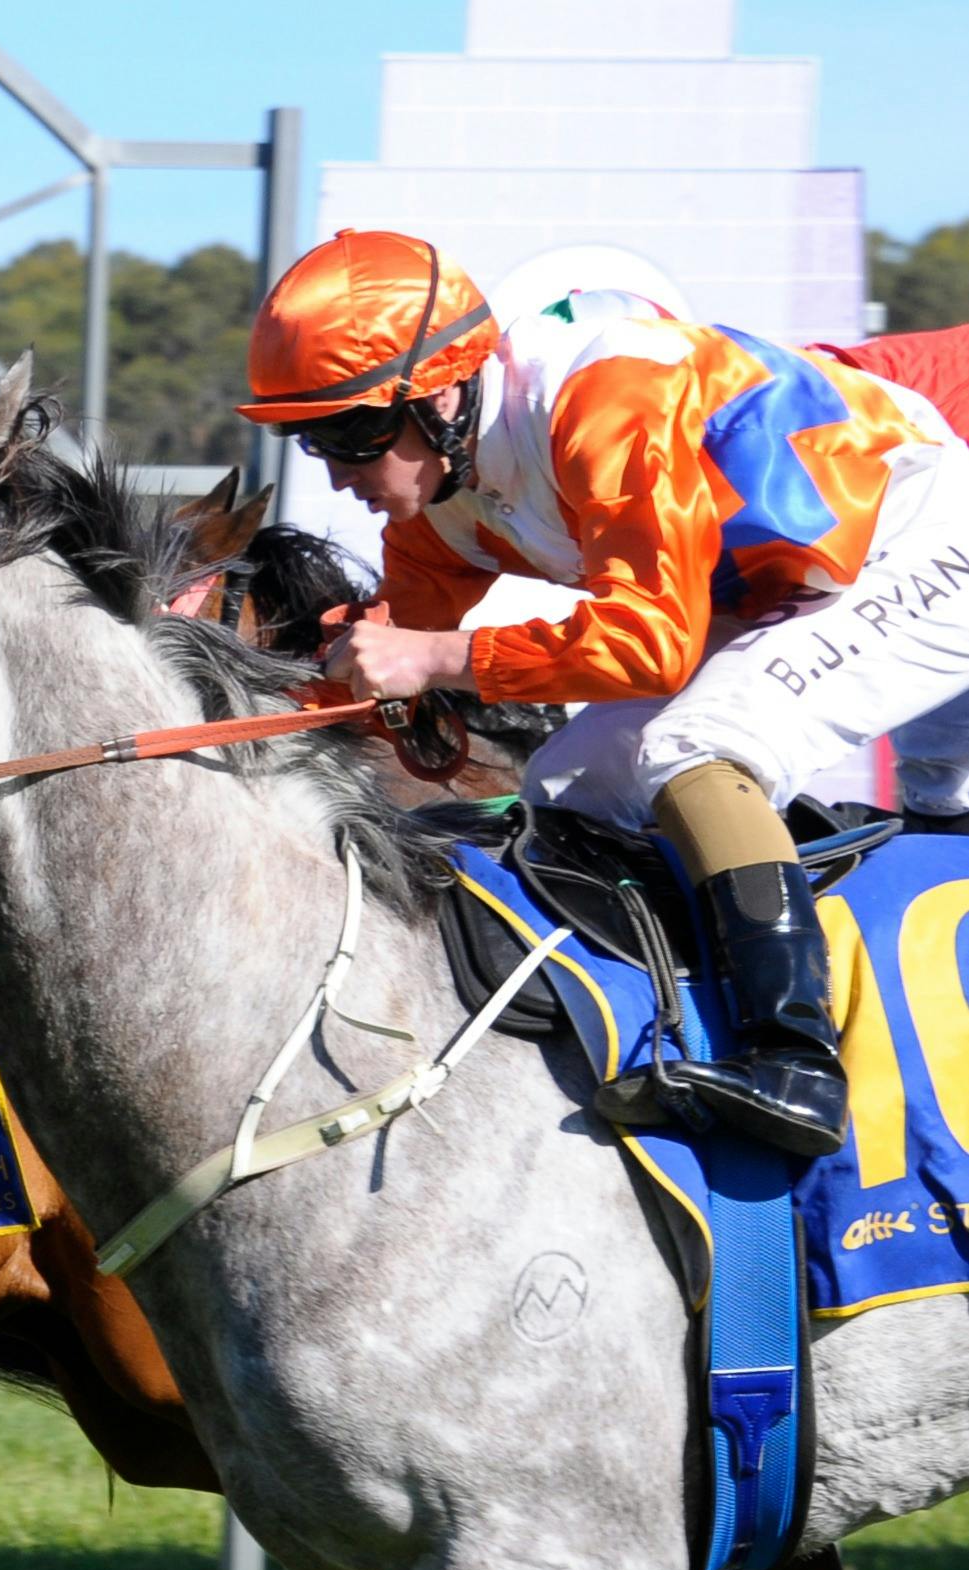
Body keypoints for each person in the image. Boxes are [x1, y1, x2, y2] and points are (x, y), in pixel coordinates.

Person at [238, 229, 969, 1158]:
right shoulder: (438, 501)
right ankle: (681, 1021)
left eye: (352, 433)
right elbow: (385, 669)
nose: (337, 472)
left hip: (920, 538)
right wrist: (259, 728)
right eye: (311, 438)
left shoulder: (604, 400)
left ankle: (795, 1060)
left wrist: (432, 659)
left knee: (693, 743)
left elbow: (649, 647)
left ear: (446, 389)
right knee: (565, 784)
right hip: (780, 588)